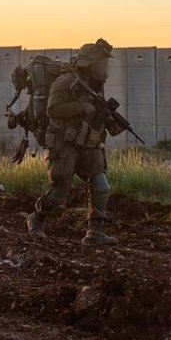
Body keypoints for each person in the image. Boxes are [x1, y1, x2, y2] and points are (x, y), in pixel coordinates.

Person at [24, 39, 120, 246]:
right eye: (101, 64)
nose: (104, 68)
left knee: (100, 185)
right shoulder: (65, 82)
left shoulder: (95, 86)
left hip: (87, 141)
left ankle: (95, 232)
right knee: (59, 193)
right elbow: (53, 110)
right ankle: (36, 218)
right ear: (88, 64)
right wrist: (81, 107)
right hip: (63, 141)